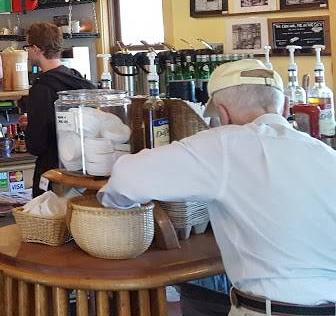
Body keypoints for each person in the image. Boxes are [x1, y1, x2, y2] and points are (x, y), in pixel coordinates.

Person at [99, 59, 336, 312]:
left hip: (274, 309)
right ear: (285, 105)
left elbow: (125, 177)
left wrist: (118, 207)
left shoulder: (226, 145)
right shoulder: (325, 153)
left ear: (223, 113)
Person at [21, 22, 95, 196]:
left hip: (53, 172)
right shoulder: (77, 79)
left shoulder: (42, 88)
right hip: (83, 170)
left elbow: (36, 145)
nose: (27, 52)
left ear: (36, 49)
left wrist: (29, 127)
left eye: (27, 47)